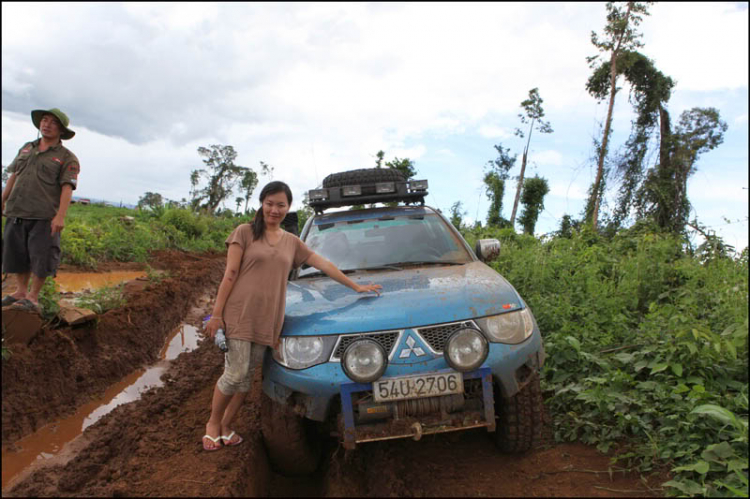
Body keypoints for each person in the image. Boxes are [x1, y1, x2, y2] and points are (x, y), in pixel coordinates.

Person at [201, 181, 382, 451]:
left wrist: (355, 286)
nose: (274, 209)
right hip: (240, 314)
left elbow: (323, 263)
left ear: (288, 208)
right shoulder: (245, 233)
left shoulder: (291, 242)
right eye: (270, 203)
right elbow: (230, 274)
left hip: (269, 319)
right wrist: (216, 315)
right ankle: (212, 424)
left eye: (281, 205)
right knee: (235, 373)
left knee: (247, 377)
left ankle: (227, 425)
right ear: (261, 204)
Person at [1, 108, 80, 314]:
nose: (47, 124)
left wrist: (60, 215)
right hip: (17, 211)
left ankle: (33, 297)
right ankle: (19, 292)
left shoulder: (66, 158)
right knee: (17, 254)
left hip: (44, 215)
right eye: (44, 120)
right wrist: (3, 200)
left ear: (61, 130)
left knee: (41, 256)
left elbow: (66, 188)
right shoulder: (27, 148)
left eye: (53, 122)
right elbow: (14, 175)